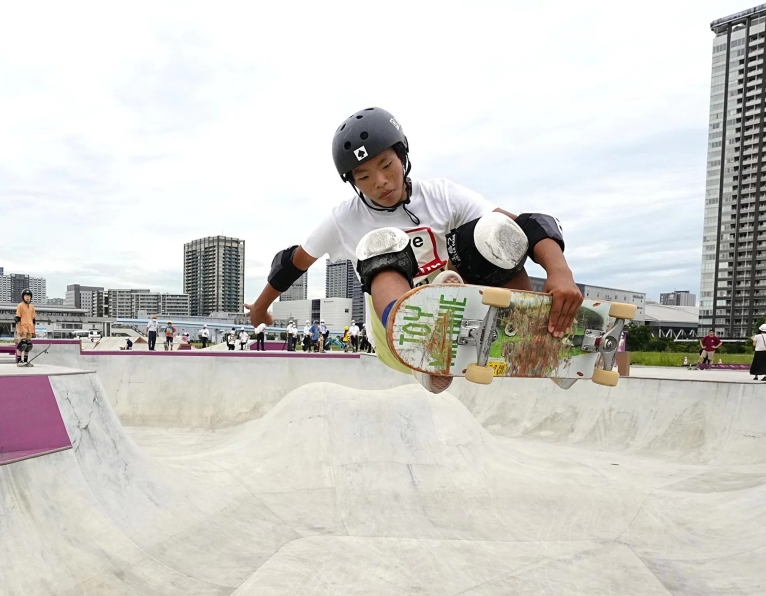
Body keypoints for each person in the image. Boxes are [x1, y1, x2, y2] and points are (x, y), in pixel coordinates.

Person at [244, 107, 581, 394]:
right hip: (396, 330)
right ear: (353, 183)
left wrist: (559, 272)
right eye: (364, 177)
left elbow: (522, 226)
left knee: (490, 231)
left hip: (458, 296)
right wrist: (260, 310)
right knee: (383, 244)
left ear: (403, 156)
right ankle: (423, 352)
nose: (380, 182)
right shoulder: (344, 219)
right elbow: (292, 264)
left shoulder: (442, 195)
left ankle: (537, 334)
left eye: (386, 165)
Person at [14, 289, 37, 367]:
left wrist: (34, 331)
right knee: (21, 345)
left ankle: (26, 361)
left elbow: (33, 320)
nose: (27, 297)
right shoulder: (20, 305)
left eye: (29, 296)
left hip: (30, 329)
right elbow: (17, 318)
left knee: (28, 346)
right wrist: (19, 329)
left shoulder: (32, 307)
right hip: (22, 328)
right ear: (23, 297)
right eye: (26, 296)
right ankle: (19, 361)